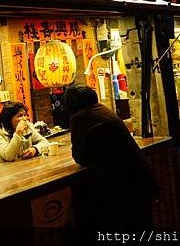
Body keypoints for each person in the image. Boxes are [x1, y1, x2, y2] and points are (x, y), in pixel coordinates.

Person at [64, 85, 158, 231]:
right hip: (139, 176)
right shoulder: (103, 110)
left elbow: (80, 157)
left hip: (120, 185)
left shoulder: (80, 118)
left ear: (70, 104)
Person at [0, 101, 50, 166]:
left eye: (25, 115)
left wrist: (35, 149)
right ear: (8, 119)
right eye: (20, 116)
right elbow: (8, 156)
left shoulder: (28, 126)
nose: (24, 119)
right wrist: (18, 133)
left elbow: (45, 142)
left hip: (20, 168)